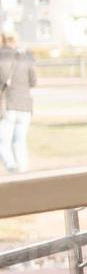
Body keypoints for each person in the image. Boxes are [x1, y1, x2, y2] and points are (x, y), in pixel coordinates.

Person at [0, 32, 37, 174]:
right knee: (19, 141)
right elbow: (33, 81)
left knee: (3, 142)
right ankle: (23, 173)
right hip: (25, 105)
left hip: (8, 105)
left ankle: (11, 166)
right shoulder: (25, 57)